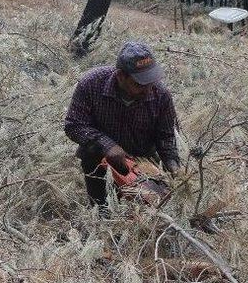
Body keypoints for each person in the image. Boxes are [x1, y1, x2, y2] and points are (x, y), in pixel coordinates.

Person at [64, 41, 180, 208]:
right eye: (139, 84)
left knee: (152, 209)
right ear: (121, 76)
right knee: (102, 210)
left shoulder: (161, 95)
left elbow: (165, 137)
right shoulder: (91, 84)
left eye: (150, 82)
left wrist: (173, 166)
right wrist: (107, 146)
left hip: (142, 162)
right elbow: (74, 125)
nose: (147, 90)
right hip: (99, 160)